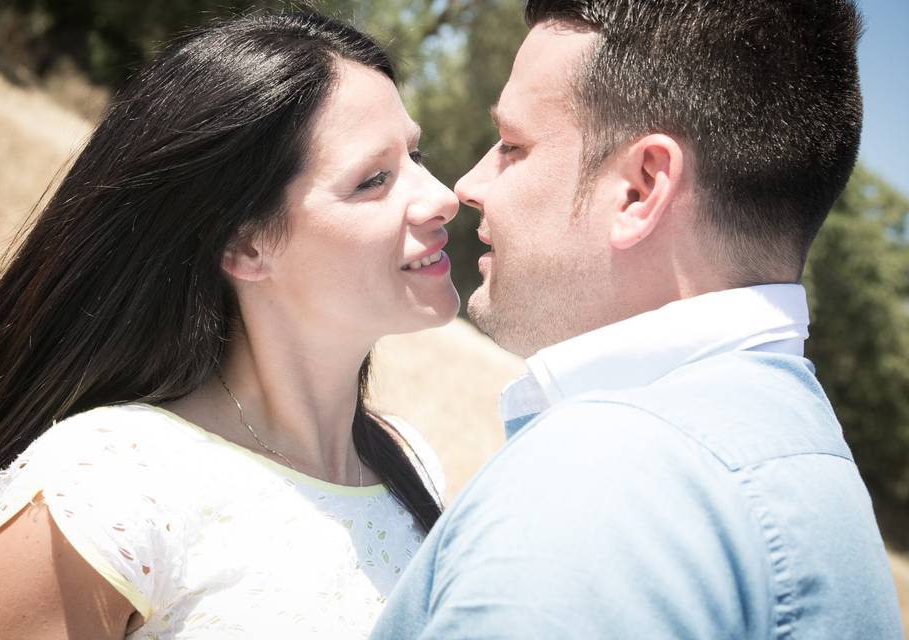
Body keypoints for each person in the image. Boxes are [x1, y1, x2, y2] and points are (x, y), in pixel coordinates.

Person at [372, 0, 904, 638]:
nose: (468, 184)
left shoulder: (595, 486)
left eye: (512, 145)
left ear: (642, 187)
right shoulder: (813, 470)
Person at [0, 11, 458, 639]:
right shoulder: (104, 488)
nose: (442, 196)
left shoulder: (412, 465)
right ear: (244, 247)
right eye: (373, 179)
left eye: (417, 154)